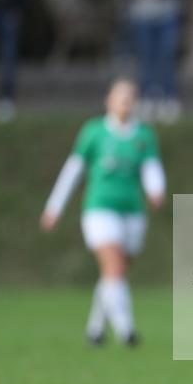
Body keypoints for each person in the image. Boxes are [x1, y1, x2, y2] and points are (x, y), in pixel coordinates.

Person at [40, 79, 166, 346]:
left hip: (132, 210)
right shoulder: (94, 132)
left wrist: (156, 190)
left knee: (114, 274)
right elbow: (73, 170)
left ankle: (95, 328)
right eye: (120, 97)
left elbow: (151, 167)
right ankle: (126, 329)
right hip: (99, 209)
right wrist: (54, 207)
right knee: (114, 266)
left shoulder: (144, 135)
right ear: (109, 101)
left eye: (130, 97)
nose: (125, 102)